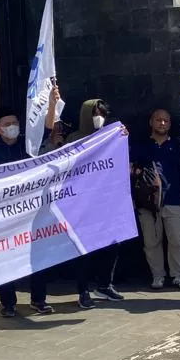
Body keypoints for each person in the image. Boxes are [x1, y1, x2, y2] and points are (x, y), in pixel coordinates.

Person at [0, 79, 62, 317]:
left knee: (37, 257)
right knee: (6, 259)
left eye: (15, 123)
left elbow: (48, 129)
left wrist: (52, 103)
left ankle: (38, 300)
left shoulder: (27, 144)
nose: (12, 127)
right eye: (7, 124)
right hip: (4, 214)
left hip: (32, 211)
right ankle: (8, 304)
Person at [65, 98, 124, 309]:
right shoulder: (74, 139)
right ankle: (83, 290)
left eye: (102, 114)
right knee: (84, 250)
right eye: (95, 113)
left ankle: (105, 284)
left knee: (112, 245)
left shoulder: (108, 137)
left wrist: (121, 137)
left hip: (104, 202)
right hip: (81, 203)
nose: (99, 118)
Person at [131, 108, 180, 290]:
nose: (162, 123)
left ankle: (178, 275)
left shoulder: (178, 146)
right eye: (158, 120)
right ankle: (158, 276)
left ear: (170, 124)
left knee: (177, 241)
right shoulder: (141, 145)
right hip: (148, 203)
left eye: (166, 120)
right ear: (151, 122)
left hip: (174, 200)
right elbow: (130, 171)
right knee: (151, 242)